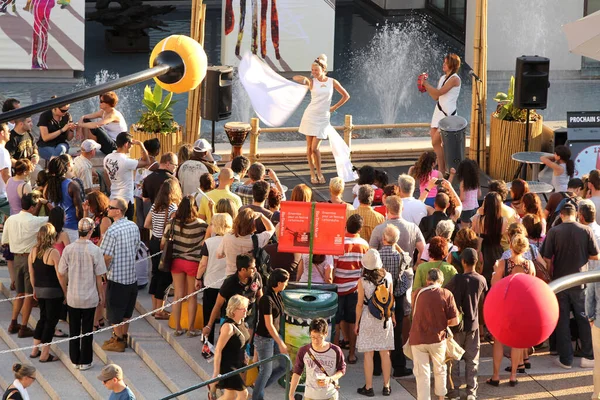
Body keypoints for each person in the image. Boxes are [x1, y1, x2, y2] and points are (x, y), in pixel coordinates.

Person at [541, 201, 598, 369]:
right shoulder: (586, 230)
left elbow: (546, 257)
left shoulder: (554, 231)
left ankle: (566, 359)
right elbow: (595, 255)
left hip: (560, 282)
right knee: (584, 318)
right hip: (580, 281)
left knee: (562, 320)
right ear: (576, 214)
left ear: (561, 215)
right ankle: (588, 355)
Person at [58, 217, 106, 370]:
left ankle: (74, 359)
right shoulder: (95, 250)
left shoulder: (68, 249)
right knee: (87, 329)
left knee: (73, 329)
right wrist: (102, 295)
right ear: (91, 231)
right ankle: (85, 361)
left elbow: (61, 272)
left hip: (73, 295)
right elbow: (99, 277)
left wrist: (65, 290)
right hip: (89, 295)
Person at [294, 54, 351, 184]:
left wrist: (334, 107)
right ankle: (312, 173)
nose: (314, 73)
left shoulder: (332, 82)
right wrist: (304, 78)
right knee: (309, 148)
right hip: (310, 115)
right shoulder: (312, 81)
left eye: (316, 70)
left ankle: (319, 172)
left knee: (315, 148)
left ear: (323, 70)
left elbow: (346, 96)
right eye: (312, 70)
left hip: (323, 118)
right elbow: (295, 77)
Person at [488, 235, 536, 386]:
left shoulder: (503, 264)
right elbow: (532, 288)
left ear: (511, 246)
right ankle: (513, 376)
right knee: (517, 342)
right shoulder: (529, 265)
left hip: (505, 306)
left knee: (498, 341)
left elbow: (494, 287)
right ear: (525, 248)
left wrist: (495, 273)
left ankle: (496, 376)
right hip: (521, 307)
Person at [2, 193, 49, 338]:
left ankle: (13, 322)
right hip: (30, 258)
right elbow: (55, 217)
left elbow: (5, 241)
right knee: (29, 295)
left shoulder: (11, 219)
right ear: (33, 207)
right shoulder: (37, 221)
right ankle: (23, 326)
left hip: (16, 258)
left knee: (20, 294)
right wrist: (45, 203)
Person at [409, 268, 460, 400]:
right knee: (440, 370)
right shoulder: (446, 293)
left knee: (422, 374)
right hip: (438, 338)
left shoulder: (417, 293)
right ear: (441, 281)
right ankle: (441, 398)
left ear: (427, 280)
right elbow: (454, 321)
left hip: (418, 337)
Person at [99, 197, 141, 352]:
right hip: (131, 276)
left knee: (115, 312)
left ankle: (118, 341)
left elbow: (106, 256)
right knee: (126, 312)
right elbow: (137, 247)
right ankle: (122, 337)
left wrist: (102, 272)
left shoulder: (112, 230)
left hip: (116, 277)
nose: (107, 209)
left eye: (110, 207)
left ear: (118, 211)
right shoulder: (133, 226)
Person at [445, 248, 487, 399]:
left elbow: (445, 292)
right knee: (472, 360)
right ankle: (471, 392)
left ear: (463, 262)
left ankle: (454, 391)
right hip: (474, 325)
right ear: (476, 262)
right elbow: (482, 302)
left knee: (454, 360)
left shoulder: (457, 279)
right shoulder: (481, 280)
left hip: (457, 326)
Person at [163, 195, 207, 336]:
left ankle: (178, 328)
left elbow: (163, 243)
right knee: (191, 296)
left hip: (176, 262)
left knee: (178, 295)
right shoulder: (201, 224)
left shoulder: (173, 222)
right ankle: (191, 328)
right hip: (193, 262)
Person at [355, 249, 394, 397]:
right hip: (385, 318)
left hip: (368, 317)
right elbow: (390, 299)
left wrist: (357, 323)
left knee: (368, 355)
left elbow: (359, 304)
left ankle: (369, 387)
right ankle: (387, 386)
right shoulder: (388, 277)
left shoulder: (362, 281)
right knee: (385, 353)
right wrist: (393, 316)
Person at [201, 254, 263, 345]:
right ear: (243, 269)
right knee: (228, 346)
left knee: (246, 345)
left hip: (249, 316)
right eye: (252, 268)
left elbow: (259, 297)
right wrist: (209, 325)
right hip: (230, 318)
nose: (255, 270)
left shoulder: (256, 277)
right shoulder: (229, 283)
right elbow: (218, 305)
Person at [333, 214, 369, 365]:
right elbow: (364, 268)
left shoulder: (338, 243)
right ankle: (352, 354)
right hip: (355, 288)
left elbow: (333, 267)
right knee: (353, 322)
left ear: (346, 225)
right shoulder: (364, 244)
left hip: (337, 288)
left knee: (336, 322)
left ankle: (335, 355)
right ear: (360, 229)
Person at [377, 224, 413, 378]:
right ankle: (398, 366)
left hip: (379, 296)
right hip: (397, 296)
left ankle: (377, 366)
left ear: (383, 238)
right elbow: (408, 258)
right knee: (396, 332)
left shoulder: (376, 255)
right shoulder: (401, 257)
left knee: (379, 331)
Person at [144, 178, 181, 320]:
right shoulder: (173, 208)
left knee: (155, 274)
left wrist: (157, 229)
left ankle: (154, 309)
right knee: (164, 277)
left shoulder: (155, 206)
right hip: (164, 245)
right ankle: (160, 310)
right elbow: (172, 228)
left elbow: (147, 224)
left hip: (154, 241)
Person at [252, 269, 290, 400]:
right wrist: (280, 343)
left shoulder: (277, 294)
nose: (287, 284)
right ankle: (256, 396)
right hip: (264, 339)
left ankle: (257, 387)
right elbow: (268, 324)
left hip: (273, 337)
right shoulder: (266, 299)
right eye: (285, 282)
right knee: (265, 372)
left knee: (286, 365)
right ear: (279, 283)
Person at [28, 223, 63, 363]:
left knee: (42, 319)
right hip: (53, 291)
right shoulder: (53, 252)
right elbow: (60, 275)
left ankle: (35, 350)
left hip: (40, 289)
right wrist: (65, 291)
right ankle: (45, 354)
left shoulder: (33, 250)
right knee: (51, 321)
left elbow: (32, 273)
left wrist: (34, 289)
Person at [196, 213, 233, 344]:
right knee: (226, 314)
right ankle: (226, 342)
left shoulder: (208, 243)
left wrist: (198, 278)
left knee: (209, 313)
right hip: (228, 283)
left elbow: (203, 264)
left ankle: (208, 341)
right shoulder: (231, 240)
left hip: (211, 282)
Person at [422, 53, 462, 174]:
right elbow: (435, 96)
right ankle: (442, 167)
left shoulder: (455, 79)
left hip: (448, 115)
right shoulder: (442, 78)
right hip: (438, 111)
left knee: (436, 141)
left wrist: (425, 84)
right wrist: (426, 86)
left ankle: (442, 169)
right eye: (443, 62)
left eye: (446, 62)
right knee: (435, 143)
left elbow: (439, 92)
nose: (443, 64)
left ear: (453, 64)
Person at [289, 318, 346, 400]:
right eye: (313, 337)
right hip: (310, 396)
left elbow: (342, 369)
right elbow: (297, 373)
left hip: (330, 396)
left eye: (319, 337)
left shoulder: (335, 350)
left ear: (326, 334)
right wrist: (291, 394)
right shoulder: (304, 351)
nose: (316, 341)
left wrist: (330, 379)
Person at [211, 295, 251, 400]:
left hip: (238, 364)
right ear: (233, 310)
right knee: (243, 394)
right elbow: (218, 349)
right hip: (228, 367)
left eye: (246, 307)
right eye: (242, 308)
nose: (245, 310)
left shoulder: (242, 323)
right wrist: (216, 372)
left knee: (230, 396)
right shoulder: (228, 327)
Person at [103, 132, 151, 220]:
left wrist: (110, 187)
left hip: (113, 198)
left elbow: (105, 173)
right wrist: (141, 145)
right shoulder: (126, 161)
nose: (131, 147)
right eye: (131, 145)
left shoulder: (107, 158)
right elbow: (147, 162)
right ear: (126, 144)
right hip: (126, 201)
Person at [370, 196, 426, 266]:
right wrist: (416, 265)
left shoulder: (378, 229)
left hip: (384, 273)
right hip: (406, 272)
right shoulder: (413, 228)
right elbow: (423, 250)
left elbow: (371, 253)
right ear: (402, 209)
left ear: (387, 209)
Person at [218, 208, 275, 275]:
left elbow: (219, 255)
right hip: (250, 277)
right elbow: (271, 229)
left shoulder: (228, 237)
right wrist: (261, 215)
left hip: (231, 275)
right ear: (253, 225)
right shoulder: (258, 239)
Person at [472, 192, 508, 285]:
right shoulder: (503, 221)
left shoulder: (477, 219)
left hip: (482, 250)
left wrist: (479, 211)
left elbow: (473, 233)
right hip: (497, 250)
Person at [45, 156, 83, 243]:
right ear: (64, 169)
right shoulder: (72, 185)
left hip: (54, 227)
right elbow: (79, 210)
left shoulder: (47, 187)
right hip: (72, 227)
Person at [77, 91, 128, 155]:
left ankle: (88, 150)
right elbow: (85, 117)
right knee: (87, 121)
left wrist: (80, 125)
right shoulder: (103, 112)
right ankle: (85, 148)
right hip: (108, 143)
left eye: (101, 101)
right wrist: (79, 127)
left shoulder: (113, 114)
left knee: (96, 128)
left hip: (115, 147)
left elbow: (97, 125)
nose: (99, 103)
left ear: (107, 104)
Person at [454, 158, 481, 224]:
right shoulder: (476, 181)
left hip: (466, 209)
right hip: (475, 207)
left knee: (465, 229)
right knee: (473, 228)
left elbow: (462, 198)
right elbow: (479, 195)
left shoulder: (463, 182)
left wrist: (455, 200)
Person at [0, 122, 13, 217]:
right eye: (8, 131)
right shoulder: (2, 151)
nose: (10, 133)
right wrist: (16, 189)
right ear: (2, 133)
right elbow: (5, 174)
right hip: (2, 197)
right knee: (17, 215)